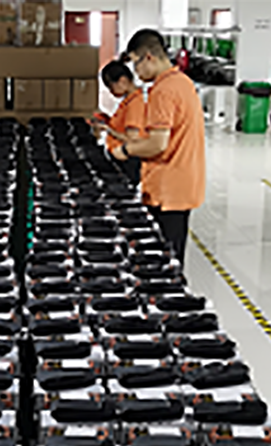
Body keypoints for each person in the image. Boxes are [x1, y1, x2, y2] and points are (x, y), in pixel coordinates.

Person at [113, 28, 206, 268]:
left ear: (149, 57)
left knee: (163, 262)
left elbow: (158, 144)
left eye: (136, 64)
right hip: (184, 181)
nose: (136, 72)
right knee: (172, 253)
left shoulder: (162, 91)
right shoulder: (183, 82)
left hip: (169, 187)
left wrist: (125, 151)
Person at [95, 60, 146, 186]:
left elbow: (132, 138)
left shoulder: (135, 104)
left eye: (110, 86)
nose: (111, 91)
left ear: (122, 81)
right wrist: (108, 121)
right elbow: (123, 126)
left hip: (128, 161)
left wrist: (108, 130)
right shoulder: (129, 100)